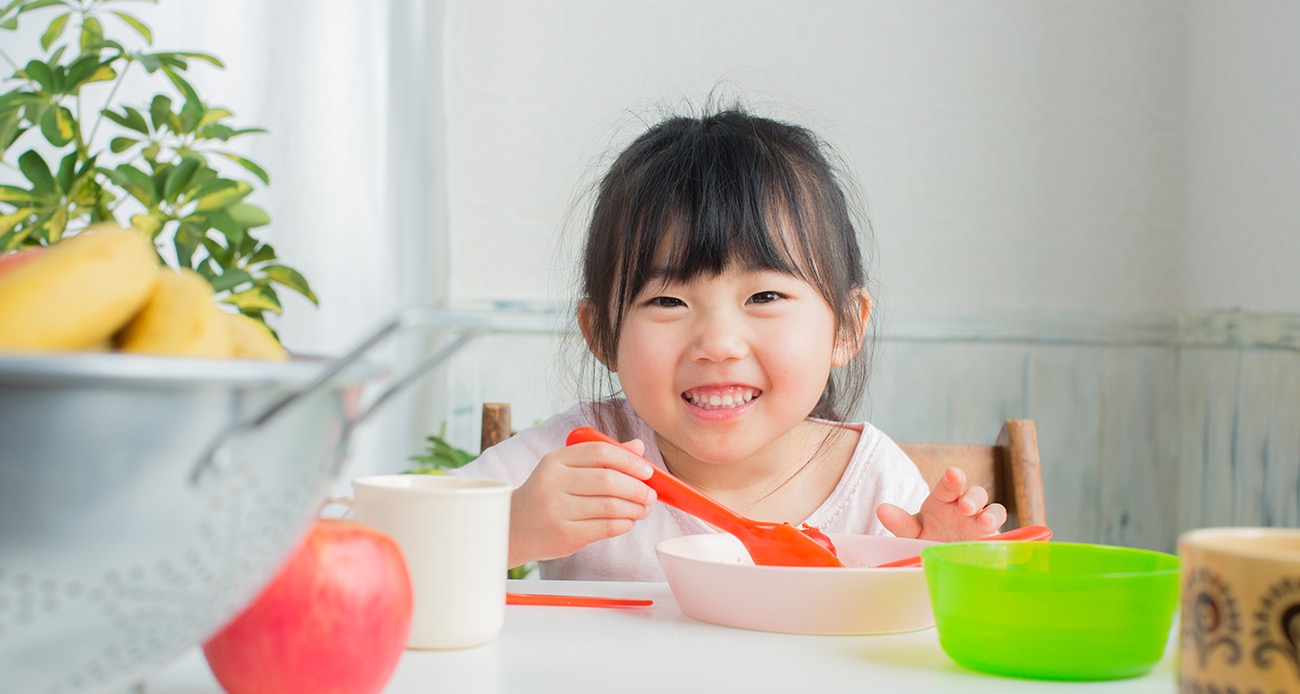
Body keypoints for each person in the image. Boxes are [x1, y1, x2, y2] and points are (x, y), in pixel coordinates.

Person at [450, 106, 1006, 581]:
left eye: (764, 296)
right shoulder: (579, 457)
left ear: (846, 327)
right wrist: (511, 527)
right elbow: (377, 546)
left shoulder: (875, 484)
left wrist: (944, 570)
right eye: (667, 302)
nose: (717, 344)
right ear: (602, 333)